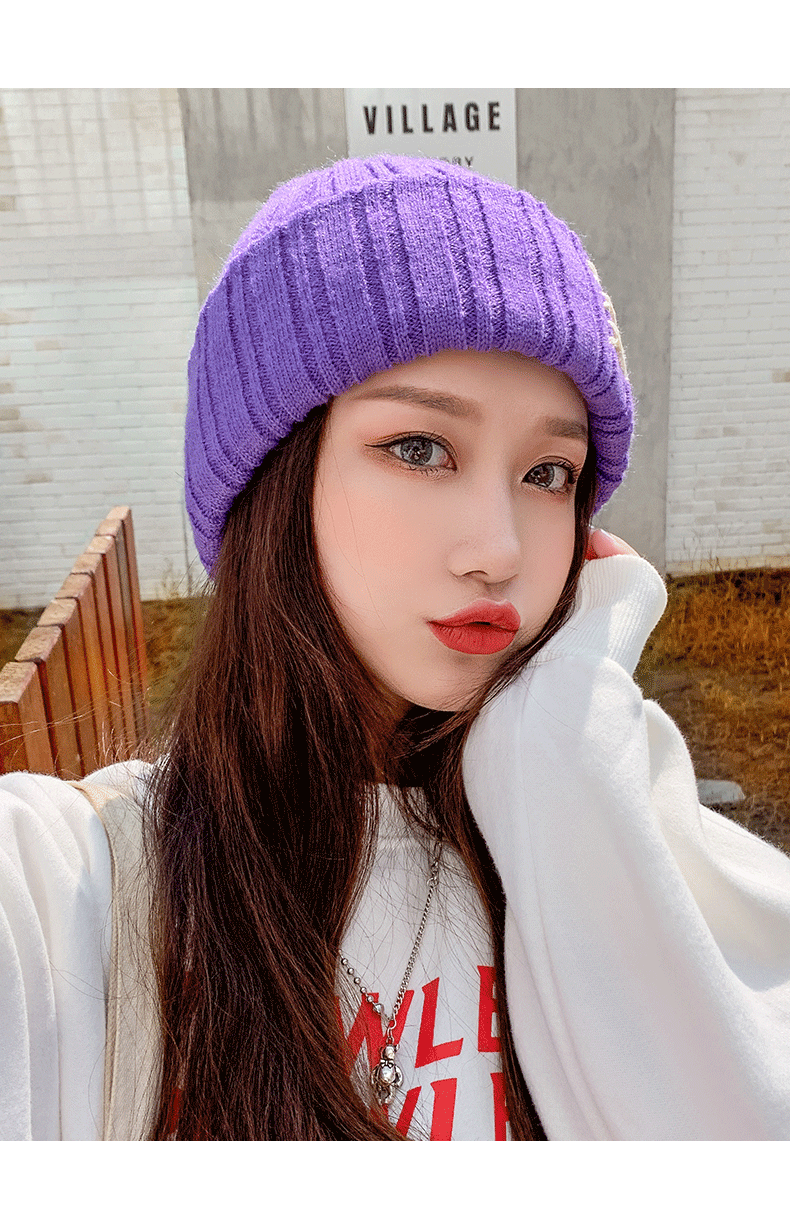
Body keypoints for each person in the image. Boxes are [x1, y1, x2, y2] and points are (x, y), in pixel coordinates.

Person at [2, 155, 789, 1142]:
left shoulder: (604, 839)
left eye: (549, 472)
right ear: (272, 480)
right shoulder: (74, 892)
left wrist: (570, 740)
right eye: (419, 449)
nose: (500, 550)